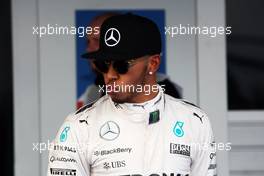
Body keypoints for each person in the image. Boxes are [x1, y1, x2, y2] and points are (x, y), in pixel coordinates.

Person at [47, 13, 217, 176]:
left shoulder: (194, 121)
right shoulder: (78, 127)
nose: (110, 75)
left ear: (153, 63)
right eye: (104, 64)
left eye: (121, 65)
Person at [77, 12, 182, 109]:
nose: (89, 48)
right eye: (88, 42)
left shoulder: (165, 90)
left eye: (122, 65)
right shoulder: (92, 91)